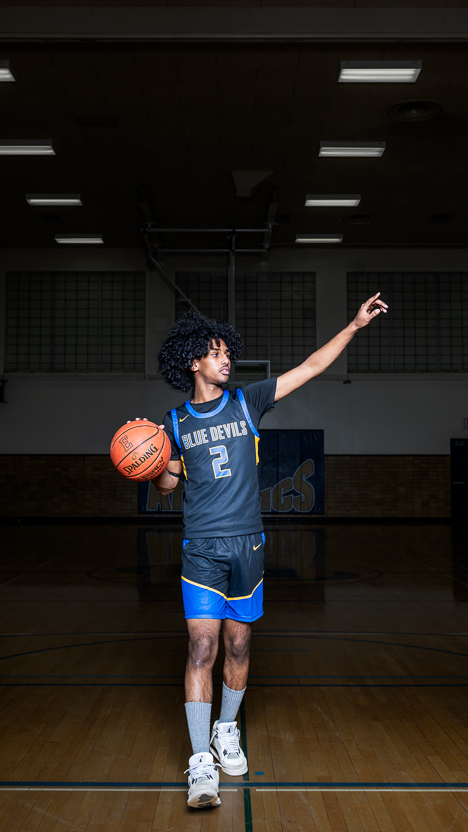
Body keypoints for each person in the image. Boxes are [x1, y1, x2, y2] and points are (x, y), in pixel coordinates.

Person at [151, 291, 387, 808]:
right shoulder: (173, 423)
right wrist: (151, 463)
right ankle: (200, 762)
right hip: (201, 549)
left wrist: (353, 326)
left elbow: (311, 367)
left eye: (227, 353)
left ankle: (226, 730)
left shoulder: (247, 401)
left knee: (238, 647)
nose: (225, 360)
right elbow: (167, 487)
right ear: (192, 362)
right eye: (215, 353)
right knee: (201, 649)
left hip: (248, 545)